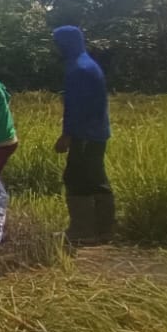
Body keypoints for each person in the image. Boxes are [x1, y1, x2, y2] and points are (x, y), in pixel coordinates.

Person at [53, 25, 114, 245]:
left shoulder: (78, 69)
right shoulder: (87, 64)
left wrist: (67, 135)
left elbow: (78, 107)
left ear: (66, 43)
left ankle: (82, 231)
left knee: (77, 179)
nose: (56, 48)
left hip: (85, 134)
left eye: (58, 43)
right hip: (97, 132)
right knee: (96, 179)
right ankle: (104, 230)